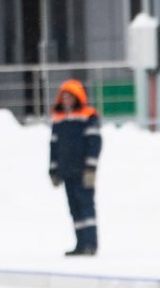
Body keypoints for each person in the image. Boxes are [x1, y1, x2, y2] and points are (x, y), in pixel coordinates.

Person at [49, 78, 102, 256]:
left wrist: (91, 167)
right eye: (63, 97)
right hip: (67, 171)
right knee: (74, 208)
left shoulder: (88, 116)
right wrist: (53, 169)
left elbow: (94, 143)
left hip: (83, 170)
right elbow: (54, 146)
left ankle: (90, 244)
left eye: (69, 97)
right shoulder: (59, 119)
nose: (66, 100)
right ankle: (80, 244)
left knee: (86, 205)